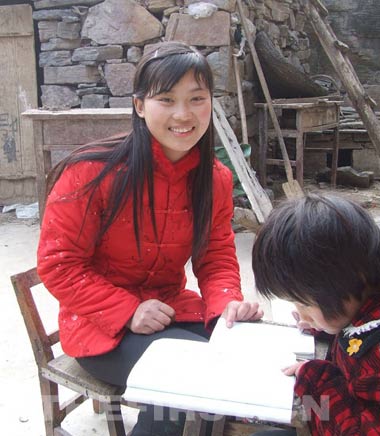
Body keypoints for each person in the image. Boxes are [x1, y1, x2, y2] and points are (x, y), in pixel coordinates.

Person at [37, 41, 263, 436]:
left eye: (197, 98)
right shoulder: (92, 173)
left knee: (248, 364)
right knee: (181, 386)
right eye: (166, 99)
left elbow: (216, 256)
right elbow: (60, 264)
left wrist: (227, 301)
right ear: (140, 106)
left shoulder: (214, 179)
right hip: (100, 326)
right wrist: (128, 310)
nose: (183, 114)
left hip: (170, 311)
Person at [251, 193, 380, 436]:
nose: (302, 314)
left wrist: (318, 381)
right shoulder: (362, 308)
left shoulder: (374, 354)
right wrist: (324, 324)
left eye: (305, 304)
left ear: (348, 280)